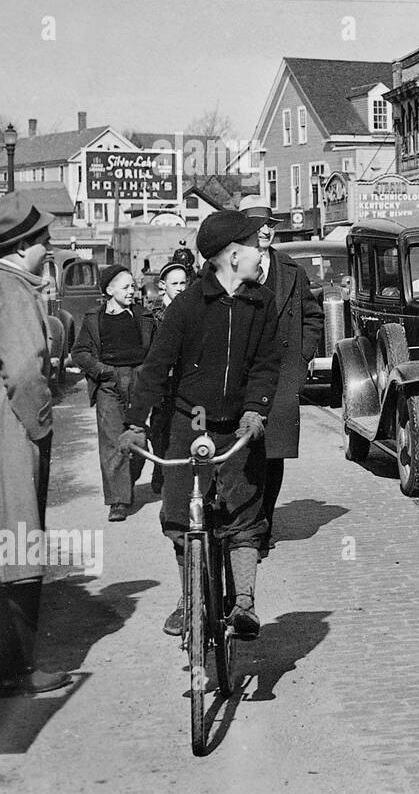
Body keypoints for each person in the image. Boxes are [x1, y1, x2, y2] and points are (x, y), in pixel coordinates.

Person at [118, 211, 280, 638]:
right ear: (231, 255)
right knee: (182, 516)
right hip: (191, 422)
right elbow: (155, 369)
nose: (261, 253)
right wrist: (135, 422)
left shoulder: (261, 303)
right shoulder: (189, 306)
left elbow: (266, 365)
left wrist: (255, 410)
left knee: (245, 514)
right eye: (254, 247)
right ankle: (189, 599)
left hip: (240, 424)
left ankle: (244, 602)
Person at [0, 194, 70, 696]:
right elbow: (26, 374)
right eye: (42, 240)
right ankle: (17, 670)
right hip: (11, 433)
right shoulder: (12, 292)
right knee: (19, 541)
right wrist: (41, 429)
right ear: (21, 246)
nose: (48, 248)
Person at [237, 196, 324, 553]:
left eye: (270, 224)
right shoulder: (230, 270)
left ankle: (264, 526)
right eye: (258, 226)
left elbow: (313, 317)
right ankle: (247, 527)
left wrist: (301, 362)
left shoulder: (291, 270)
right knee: (244, 452)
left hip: (283, 377)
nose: (266, 230)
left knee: (274, 456)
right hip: (242, 376)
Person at [71, 264, 154, 521]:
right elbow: (79, 352)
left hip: (139, 382)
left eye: (133, 286)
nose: (132, 291)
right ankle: (118, 500)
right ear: (109, 290)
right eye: (126, 287)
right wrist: (102, 370)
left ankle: (125, 483)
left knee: (138, 440)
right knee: (111, 440)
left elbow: (157, 350)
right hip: (108, 382)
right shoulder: (94, 319)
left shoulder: (144, 316)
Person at [146, 261, 189, 492]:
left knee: (189, 424)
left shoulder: (193, 309)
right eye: (175, 283)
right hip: (163, 380)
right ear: (163, 286)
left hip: (186, 379)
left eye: (184, 282)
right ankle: (158, 468)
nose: (180, 288)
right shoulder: (153, 314)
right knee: (159, 427)